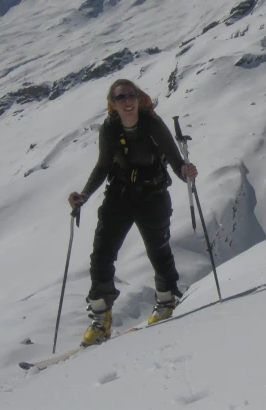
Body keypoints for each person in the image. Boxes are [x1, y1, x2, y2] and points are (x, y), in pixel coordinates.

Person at [68, 79, 198, 346]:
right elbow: (103, 165)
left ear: (138, 99)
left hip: (153, 194)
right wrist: (84, 195)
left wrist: (186, 172)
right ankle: (101, 318)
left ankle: (166, 301)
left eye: (130, 96)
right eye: (120, 98)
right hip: (120, 194)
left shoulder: (152, 124)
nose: (127, 101)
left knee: (158, 250)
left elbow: (176, 161)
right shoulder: (110, 128)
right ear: (112, 104)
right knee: (102, 253)